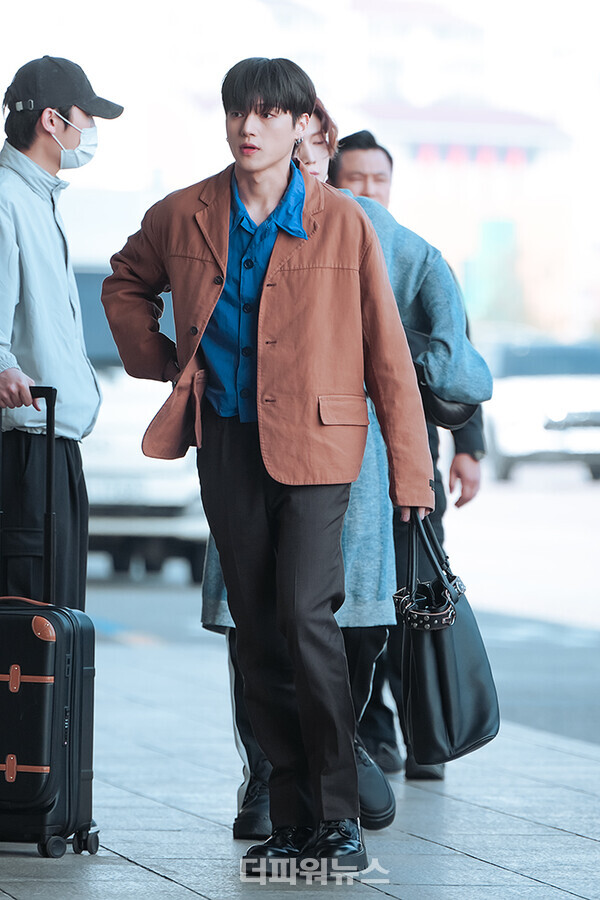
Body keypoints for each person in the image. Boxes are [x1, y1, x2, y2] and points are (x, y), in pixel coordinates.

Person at [101, 57, 435, 878]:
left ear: (298, 126)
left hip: (322, 448)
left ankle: (337, 814)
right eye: (236, 113)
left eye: (266, 114)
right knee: (254, 631)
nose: (248, 127)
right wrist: (165, 359)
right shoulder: (184, 214)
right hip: (227, 442)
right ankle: (288, 814)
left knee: (305, 618)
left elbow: (389, 356)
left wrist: (411, 477)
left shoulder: (345, 222)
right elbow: (124, 283)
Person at [200, 98, 492, 837]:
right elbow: (459, 376)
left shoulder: (232, 226)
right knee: (344, 626)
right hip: (358, 479)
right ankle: (337, 769)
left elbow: (181, 326)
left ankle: (273, 784)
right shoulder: (402, 246)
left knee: (261, 621)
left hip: (255, 457)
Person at [329, 129, 488, 779]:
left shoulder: (420, 259)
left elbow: (459, 352)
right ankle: (376, 733)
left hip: (412, 458)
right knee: (359, 601)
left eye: (378, 180)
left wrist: (469, 449)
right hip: (343, 460)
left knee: (417, 596)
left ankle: (430, 730)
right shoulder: (324, 246)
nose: (368, 191)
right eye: (356, 179)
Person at [0, 56, 123, 610]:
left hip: (52, 446)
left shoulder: (39, 199)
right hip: (23, 449)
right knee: (29, 636)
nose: (90, 130)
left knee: (56, 631)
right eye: (86, 116)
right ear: (53, 121)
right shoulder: (6, 199)